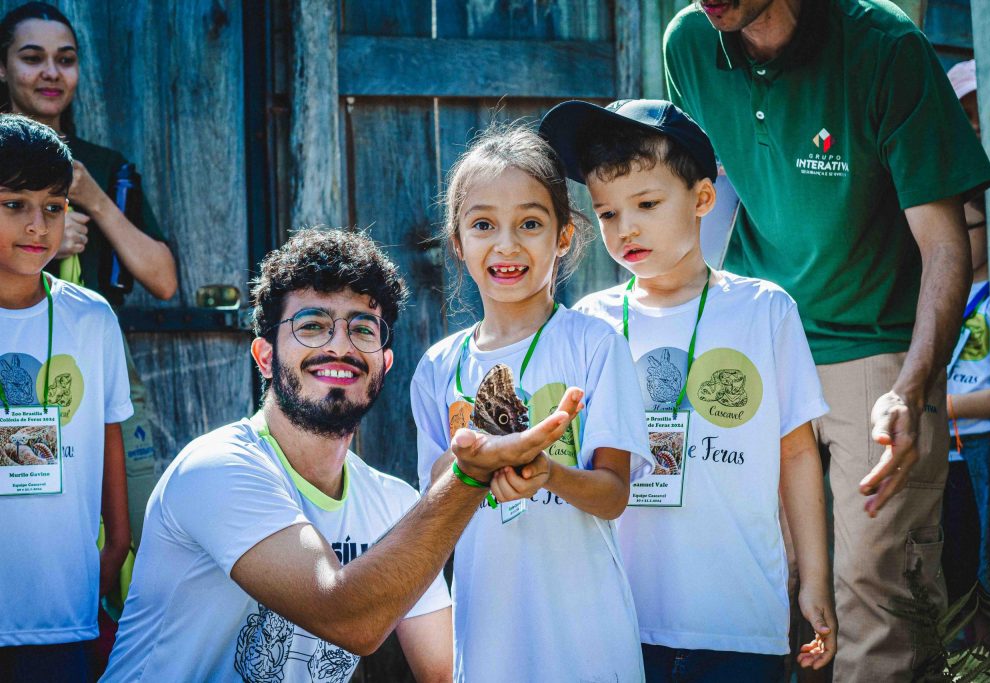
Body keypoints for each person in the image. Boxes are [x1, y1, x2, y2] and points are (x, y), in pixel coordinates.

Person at [663, 1, 990, 678]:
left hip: (875, 344)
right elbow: (704, 196)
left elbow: (944, 246)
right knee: (766, 579)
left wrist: (913, 387)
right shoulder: (689, 43)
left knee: (875, 589)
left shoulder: (886, 48)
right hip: (758, 341)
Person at [102, 228, 584, 682]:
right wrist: (470, 477)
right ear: (265, 357)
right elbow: (346, 617)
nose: (339, 347)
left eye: (362, 330)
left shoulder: (393, 504)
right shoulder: (217, 470)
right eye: (312, 326)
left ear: (384, 363)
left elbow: (443, 671)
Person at [542, 98, 836, 681]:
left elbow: (798, 453)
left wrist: (818, 579)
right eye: (606, 214)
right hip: (618, 621)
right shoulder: (587, 323)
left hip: (739, 620)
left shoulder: (764, 310)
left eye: (647, 204)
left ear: (702, 199)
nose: (626, 229)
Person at [412, 123, 652, 682]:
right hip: (490, 636)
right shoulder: (437, 369)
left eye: (530, 223)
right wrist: (477, 461)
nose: (507, 245)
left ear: (563, 236)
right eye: (483, 225)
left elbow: (613, 495)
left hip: (588, 637)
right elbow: (435, 503)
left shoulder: (595, 346)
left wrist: (546, 472)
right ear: (458, 242)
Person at [0, 1, 177, 546]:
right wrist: (40, 250)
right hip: (12, 348)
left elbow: (165, 280)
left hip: (95, 359)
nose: (51, 72)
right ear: (3, 67)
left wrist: (95, 200)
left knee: (138, 517)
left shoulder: (104, 168)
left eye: (65, 59)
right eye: (32, 58)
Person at [0, 114, 131, 682]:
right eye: (14, 205)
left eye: (53, 208)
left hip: (62, 607)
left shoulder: (91, 317)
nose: (37, 226)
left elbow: (108, 428)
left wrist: (119, 538)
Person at [941, 59, 990, 602]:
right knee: (952, 567)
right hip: (944, 450)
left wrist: (942, 406)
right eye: (965, 113)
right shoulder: (937, 287)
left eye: (969, 229)